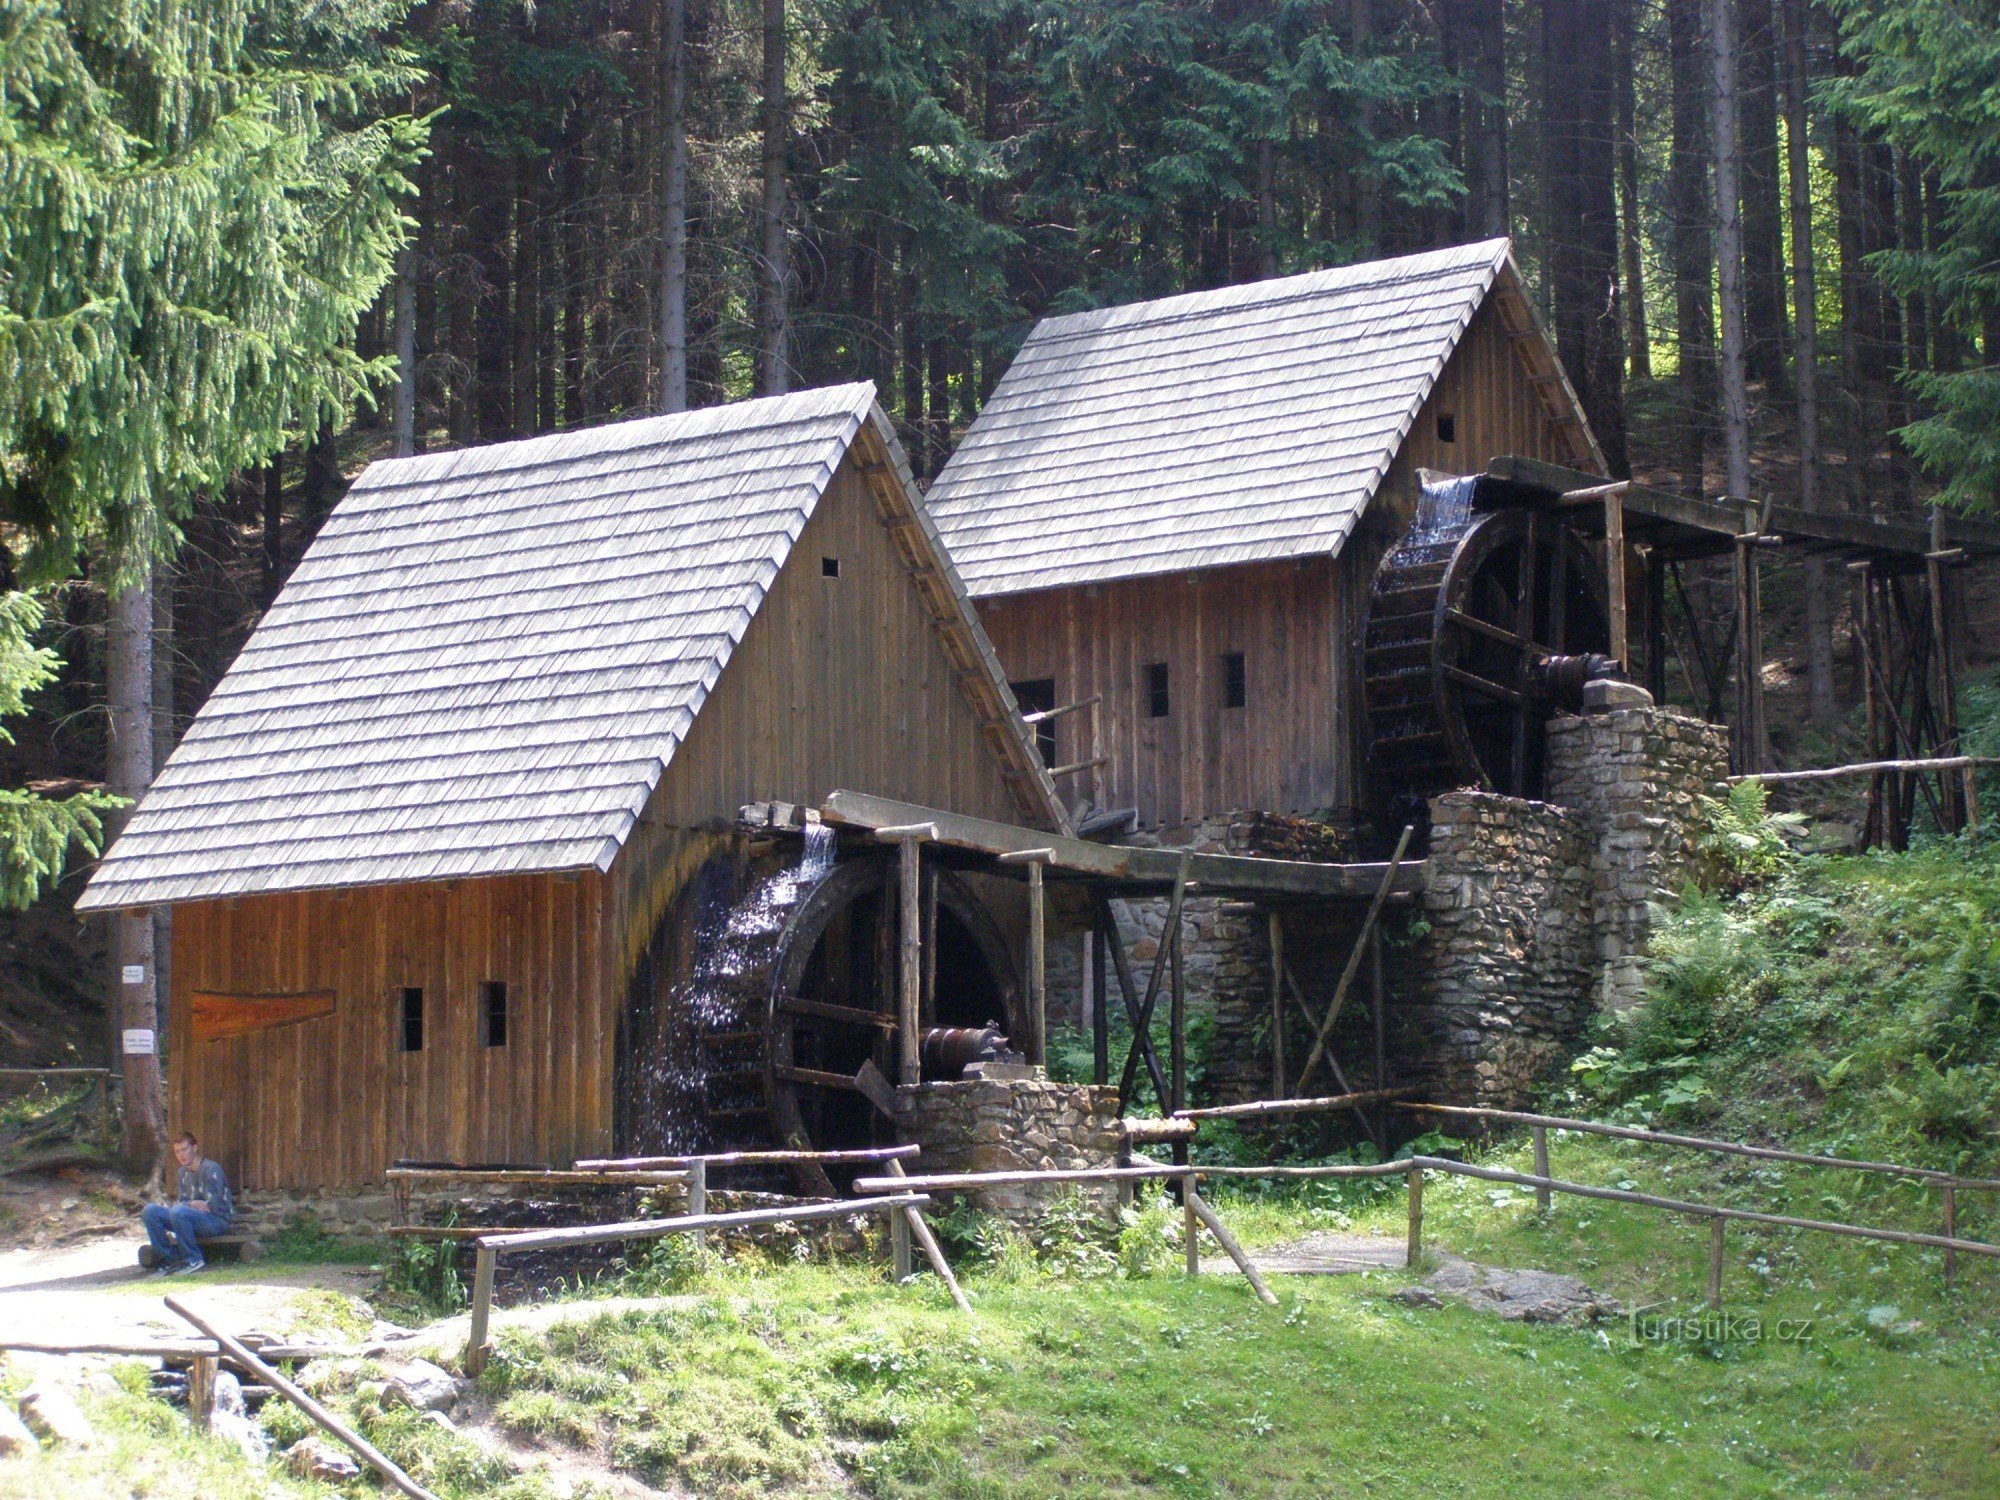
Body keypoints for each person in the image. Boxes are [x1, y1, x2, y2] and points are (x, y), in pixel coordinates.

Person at [140, 1132, 234, 1274]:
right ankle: (168, 1261)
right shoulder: (182, 1173)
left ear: (194, 1148)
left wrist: (187, 1206)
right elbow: (182, 1202)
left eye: (184, 1150)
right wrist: (191, 1204)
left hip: (215, 1220)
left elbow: (213, 1206)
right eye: (177, 1151)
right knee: (150, 1211)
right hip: (188, 1218)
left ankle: (193, 1259)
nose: (181, 1155)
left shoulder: (211, 1169)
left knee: (179, 1212)